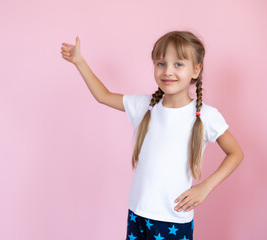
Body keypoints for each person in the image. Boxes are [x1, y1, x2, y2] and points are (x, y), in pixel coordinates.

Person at [60, 30, 244, 240]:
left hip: (173, 220)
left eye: (178, 64)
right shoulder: (144, 106)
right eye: (161, 63)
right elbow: (103, 96)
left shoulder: (206, 116)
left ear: (196, 69)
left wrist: (205, 187)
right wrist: (79, 62)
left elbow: (235, 153)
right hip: (137, 214)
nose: (168, 71)